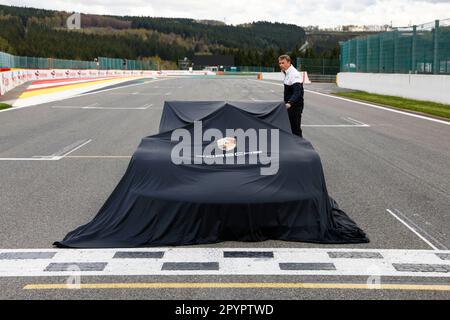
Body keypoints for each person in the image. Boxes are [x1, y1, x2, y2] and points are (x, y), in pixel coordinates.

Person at [278, 54, 304, 137]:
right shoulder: (287, 72)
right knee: (290, 128)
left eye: (283, 63)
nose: (281, 65)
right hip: (289, 106)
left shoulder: (294, 74)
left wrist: (290, 103)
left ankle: (301, 148)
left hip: (295, 106)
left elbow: (297, 92)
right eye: (280, 63)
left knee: (295, 129)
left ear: (289, 62)